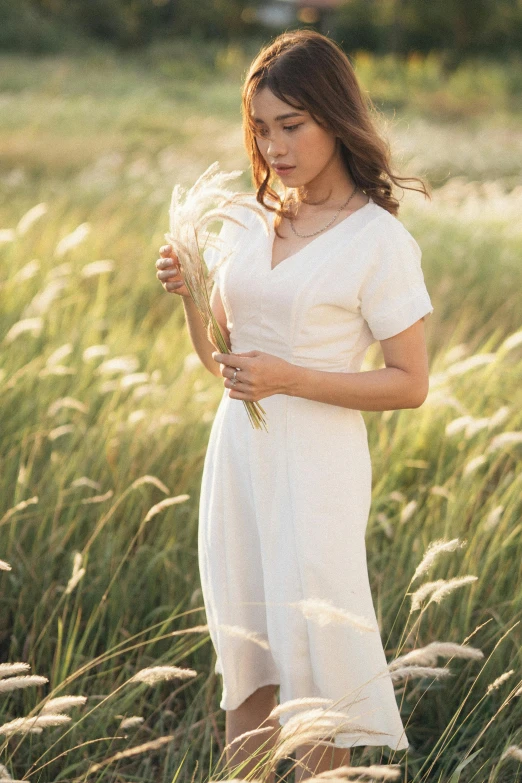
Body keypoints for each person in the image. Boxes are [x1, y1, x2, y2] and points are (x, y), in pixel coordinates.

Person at [156, 29, 433, 781]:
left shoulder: (377, 241)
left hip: (316, 470)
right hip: (240, 457)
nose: (273, 146)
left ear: (335, 118)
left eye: (291, 125)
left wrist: (292, 378)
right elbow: (226, 362)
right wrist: (190, 295)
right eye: (260, 128)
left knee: (316, 664)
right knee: (248, 655)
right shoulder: (252, 221)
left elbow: (410, 381)